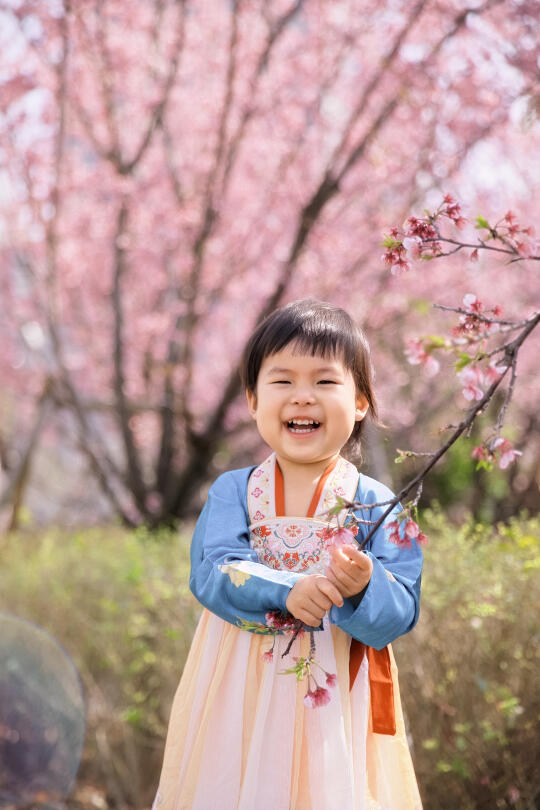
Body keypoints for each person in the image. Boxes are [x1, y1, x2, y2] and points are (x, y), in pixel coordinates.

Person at [152, 299, 423, 810]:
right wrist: (285, 589)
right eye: (283, 382)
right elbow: (213, 571)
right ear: (253, 399)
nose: (303, 398)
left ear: (361, 401)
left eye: (324, 382)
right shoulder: (233, 491)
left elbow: (401, 610)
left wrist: (365, 586)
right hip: (239, 686)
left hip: (336, 694)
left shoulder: (378, 505)